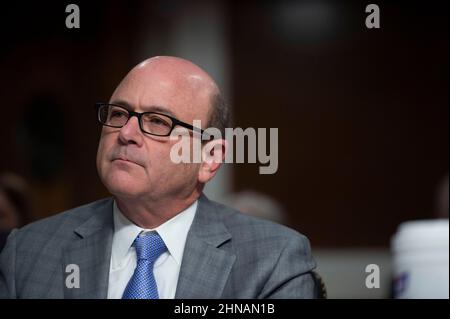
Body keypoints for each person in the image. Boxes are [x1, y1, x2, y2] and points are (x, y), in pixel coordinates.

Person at [0, 56, 317, 299]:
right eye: (119, 113)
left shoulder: (273, 259)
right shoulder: (26, 252)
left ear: (209, 158)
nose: (126, 133)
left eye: (157, 121)